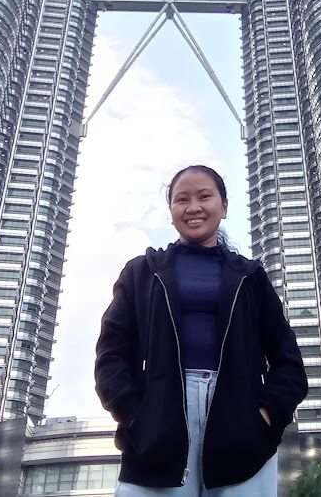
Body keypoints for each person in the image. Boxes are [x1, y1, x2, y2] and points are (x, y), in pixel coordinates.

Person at [95, 164, 308, 495]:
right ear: (171, 212)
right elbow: (111, 353)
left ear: (223, 206)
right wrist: (136, 416)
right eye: (182, 199)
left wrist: (265, 417)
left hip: (240, 423)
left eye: (204, 197)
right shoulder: (141, 272)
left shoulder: (250, 277)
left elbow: (288, 359)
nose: (193, 208)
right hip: (159, 422)